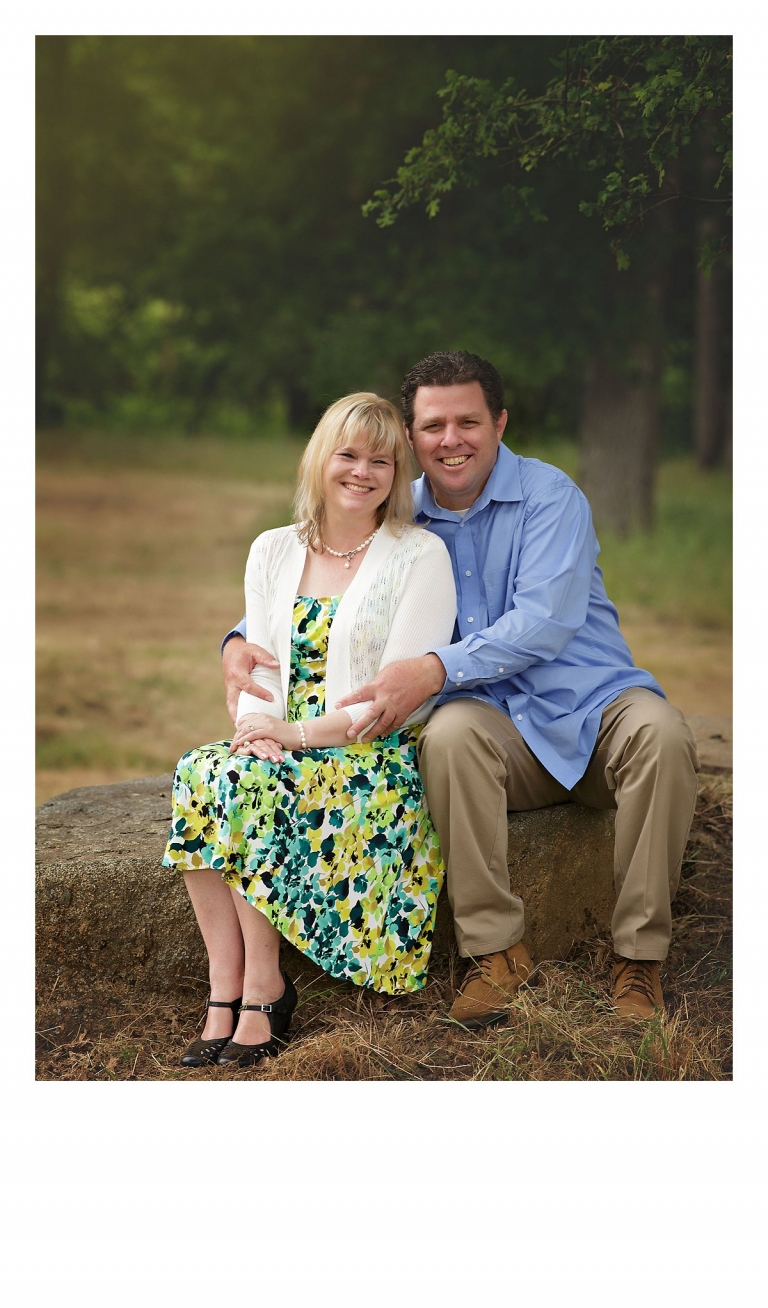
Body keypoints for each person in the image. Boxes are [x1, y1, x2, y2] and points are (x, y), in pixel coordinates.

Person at [223, 352, 700, 1030]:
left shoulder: (549, 495)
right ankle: (496, 954)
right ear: (412, 439)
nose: (452, 440)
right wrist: (236, 641)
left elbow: (543, 622)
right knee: (447, 735)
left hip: (593, 707)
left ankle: (639, 961)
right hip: (497, 728)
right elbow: (316, 585)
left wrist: (436, 668)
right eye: (434, 425)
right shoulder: (398, 517)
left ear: (500, 423)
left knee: (661, 731)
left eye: (469, 421)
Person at [164, 392, 456, 1068]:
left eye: (381, 461)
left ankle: (265, 988)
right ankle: (225, 986)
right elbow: (256, 663)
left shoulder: (421, 556)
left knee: (247, 779)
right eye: (348, 455)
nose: (362, 472)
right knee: (200, 770)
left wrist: (290, 738)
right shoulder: (273, 550)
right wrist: (258, 727)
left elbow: (392, 700)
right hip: (282, 741)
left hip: (372, 757)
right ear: (321, 459)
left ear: (396, 473)